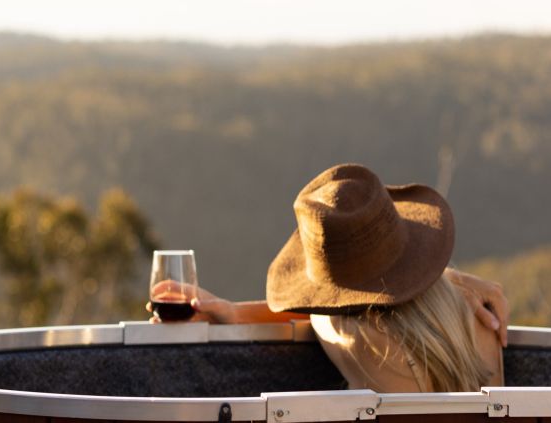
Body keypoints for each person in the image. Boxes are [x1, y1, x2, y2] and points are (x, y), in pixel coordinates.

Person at [155, 163, 508, 392]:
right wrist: (449, 278)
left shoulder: (356, 339)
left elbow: (322, 313)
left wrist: (234, 313)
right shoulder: (479, 318)